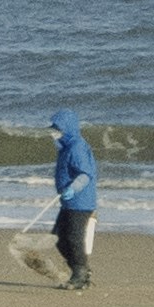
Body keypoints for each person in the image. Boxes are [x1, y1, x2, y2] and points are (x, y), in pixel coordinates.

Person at [48, 114, 99, 286]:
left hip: (80, 203)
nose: (54, 133)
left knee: (73, 238)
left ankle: (80, 274)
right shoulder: (65, 147)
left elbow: (85, 174)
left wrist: (73, 188)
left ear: (67, 129)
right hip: (68, 203)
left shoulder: (77, 147)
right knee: (58, 238)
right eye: (54, 129)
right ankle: (81, 269)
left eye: (58, 129)